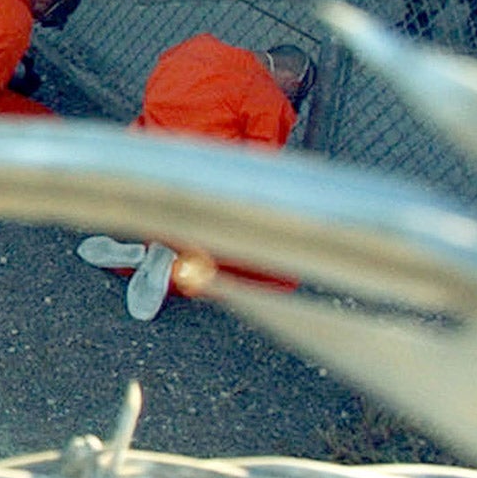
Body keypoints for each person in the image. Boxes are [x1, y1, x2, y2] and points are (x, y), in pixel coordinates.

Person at [76, 36, 315, 321]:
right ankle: (169, 263)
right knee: (284, 278)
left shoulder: (197, 47)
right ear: (292, 81)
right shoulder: (269, 100)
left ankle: (149, 252)